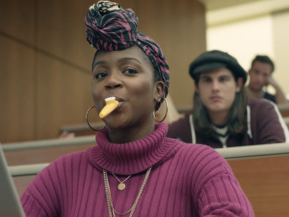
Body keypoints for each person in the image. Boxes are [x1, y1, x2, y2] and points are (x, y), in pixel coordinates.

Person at [20, 2, 255, 217]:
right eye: (101, 74)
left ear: (158, 91)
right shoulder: (61, 173)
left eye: (129, 71)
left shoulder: (200, 163)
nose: (111, 81)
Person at [167, 50, 289, 148]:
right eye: (207, 80)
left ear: (238, 84)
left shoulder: (263, 112)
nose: (215, 88)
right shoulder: (184, 127)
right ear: (197, 88)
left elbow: (282, 161)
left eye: (223, 79)